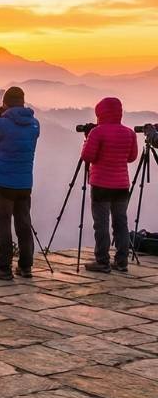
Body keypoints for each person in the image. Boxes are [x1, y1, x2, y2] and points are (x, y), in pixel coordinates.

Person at [0, 86, 41, 280]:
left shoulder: (1, 124)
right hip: (24, 183)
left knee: (2, 224)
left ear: (5, 103)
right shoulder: (34, 124)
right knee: (23, 224)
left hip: (2, 182)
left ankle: (4, 268)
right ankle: (25, 266)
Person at [81, 97, 139, 272]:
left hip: (101, 186)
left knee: (101, 224)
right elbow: (131, 157)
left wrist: (87, 139)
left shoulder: (97, 133)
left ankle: (102, 261)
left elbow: (88, 157)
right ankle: (122, 262)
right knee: (121, 223)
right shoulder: (129, 133)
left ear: (101, 113)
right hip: (122, 186)